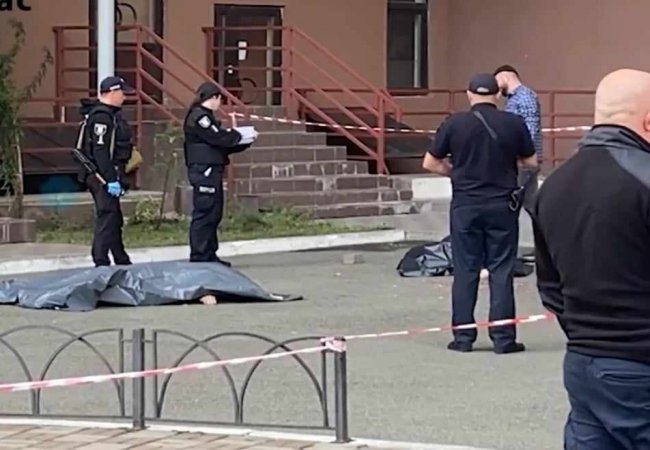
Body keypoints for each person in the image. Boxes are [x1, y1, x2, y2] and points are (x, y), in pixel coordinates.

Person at [533, 68, 650, 449]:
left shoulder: (554, 185)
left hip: (585, 362)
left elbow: (550, 287)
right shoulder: (643, 179)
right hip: (639, 366)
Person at [422, 73, 538, 354]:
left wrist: (458, 174)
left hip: (466, 205)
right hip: (502, 205)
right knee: (501, 270)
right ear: (498, 95)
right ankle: (503, 339)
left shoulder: (454, 124)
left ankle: (463, 338)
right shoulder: (513, 123)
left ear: (469, 94)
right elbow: (531, 162)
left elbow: (430, 163)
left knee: (466, 270)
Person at [183, 82, 258, 266]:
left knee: (214, 213)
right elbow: (218, 138)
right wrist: (237, 135)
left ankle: (209, 253)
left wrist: (244, 140)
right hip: (204, 170)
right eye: (219, 99)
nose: (220, 104)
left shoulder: (207, 117)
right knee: (205, 211)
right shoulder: (200, 117)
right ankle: (200, 255)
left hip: (212, 168)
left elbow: (222, 143)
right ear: (214, 97)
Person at [77, 76, 134, 267]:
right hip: (100, 175)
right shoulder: (101, 117)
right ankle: (100, 261)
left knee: (114, 218)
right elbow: (100, 151)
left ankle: (121, 259)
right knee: (108, 215)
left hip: (111, 173)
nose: (124, 97)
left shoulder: (112, 115)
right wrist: (110, 179)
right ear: (112, 92)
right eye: (122, 93)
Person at [494, 65, 542, 220]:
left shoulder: (524, 97)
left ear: (504, 77)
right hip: (523, 160)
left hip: (522, 161)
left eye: (496, 81)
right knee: (528, 203)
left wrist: (518, 153)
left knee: (515, 202)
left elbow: (530, 130)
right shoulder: (515, 98)